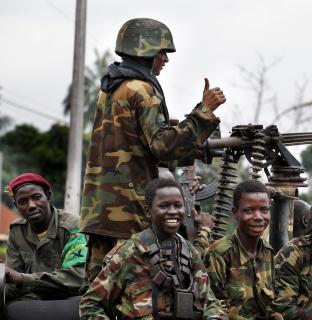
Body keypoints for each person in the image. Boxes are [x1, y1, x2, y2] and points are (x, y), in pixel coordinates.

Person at [80, 17, 227, 282]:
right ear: (145, 51)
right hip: (130, 211)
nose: (165, 60)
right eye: (162, 52)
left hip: (100, 211)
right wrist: (204, 112)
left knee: (99, 289)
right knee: (135, 290)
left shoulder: (113, 87)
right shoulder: (143, 90)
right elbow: (161, 146)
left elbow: (134, 139)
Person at [79, 178, 226, 320]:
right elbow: (91, 304)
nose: (173, 211)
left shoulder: (188, 251)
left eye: (178, 205)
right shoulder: (127, 253)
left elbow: (210, 303)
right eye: (164, 206)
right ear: (148, 212)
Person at [0, 173, 87, 320]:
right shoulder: (17, 231)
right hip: (33, 298)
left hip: (69, 298)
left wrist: (22, 278)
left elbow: (76, 277)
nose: (31, 205)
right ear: (16, 206)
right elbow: (13, 282)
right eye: (23, 201)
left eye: (36, 197)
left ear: (48, 196)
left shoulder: (73, 227)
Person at [203, 180, 282, 320]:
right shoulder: (219, 253)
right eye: (249, 210)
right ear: (235, 213)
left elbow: (270, 304)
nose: (258, 217)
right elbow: (212, 309)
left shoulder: (267, 252)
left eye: (264, 210)